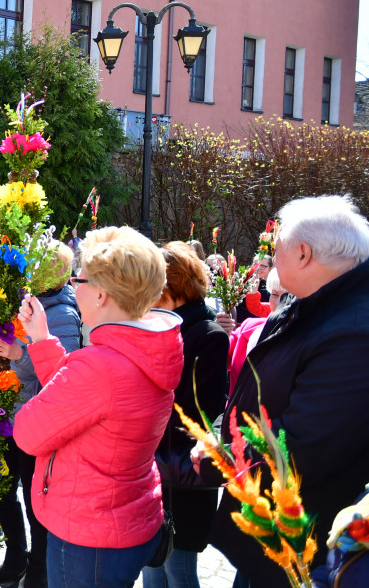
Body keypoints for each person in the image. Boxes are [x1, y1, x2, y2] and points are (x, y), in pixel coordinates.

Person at [208, 196, 369, 588]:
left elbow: (304, 444)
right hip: (269, 534)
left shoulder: (354, 330)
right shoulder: (315, 303)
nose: (270, 257)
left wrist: (218, 456)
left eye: (276, 247)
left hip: (299, 547)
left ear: (303, 254)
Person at [14, 226, 184, 588]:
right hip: (128, 515)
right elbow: (86, 402)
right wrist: (42, 339)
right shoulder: (148, 345)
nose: (73, 286)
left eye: (79, 279)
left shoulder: (100, 367)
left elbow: (28, 433)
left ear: (102, 295)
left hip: (89, 533)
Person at [0, 240, 81, 587]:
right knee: (2, 490)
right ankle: (16, 557)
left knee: (34, 501)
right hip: (11, 414)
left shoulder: (63, 313)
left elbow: (61, 373)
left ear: (57, 273)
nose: (33, 270)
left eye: (40, 265)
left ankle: (38, 572)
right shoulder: (29, 301)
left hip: (36, 423)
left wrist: (18, 354)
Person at [141, 241, 229, 588]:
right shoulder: (156, 327)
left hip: (180, 470)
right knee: (151, 567)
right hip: (152, 468)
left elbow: (203, 411)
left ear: (172, 286)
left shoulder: (208, 335)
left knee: (177, 570)